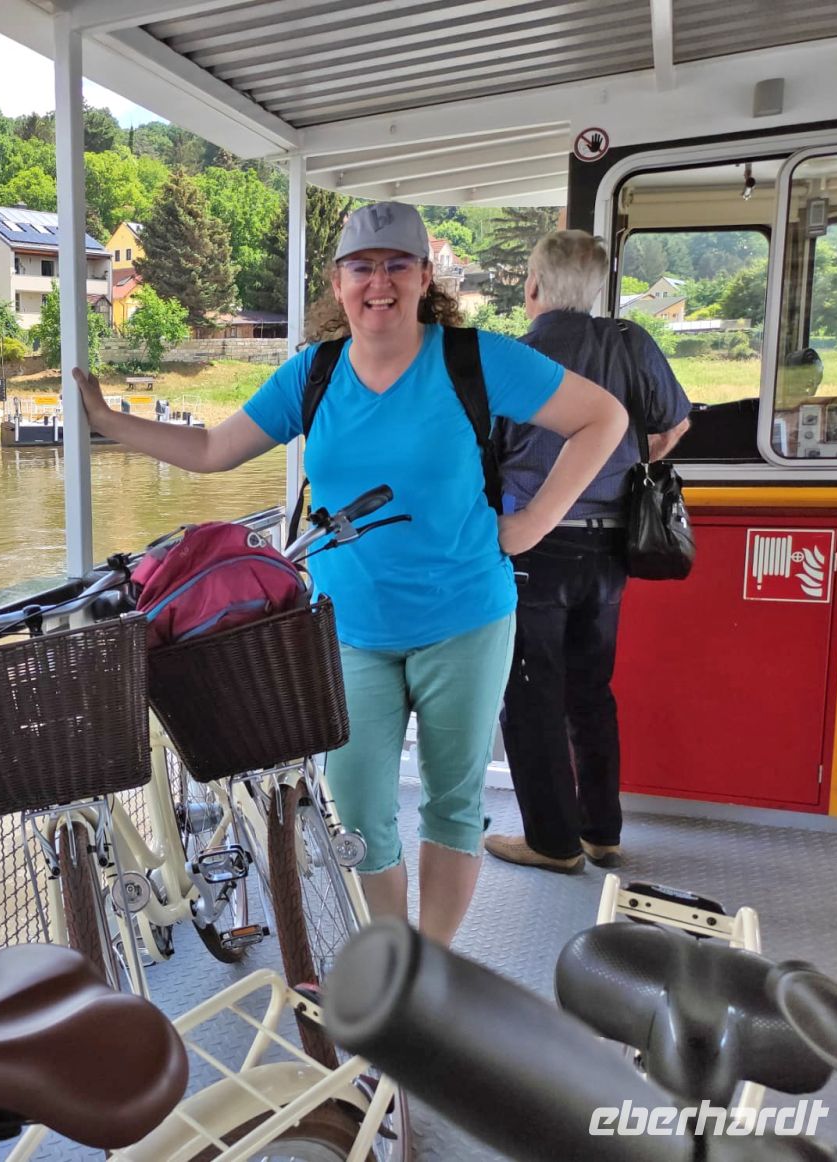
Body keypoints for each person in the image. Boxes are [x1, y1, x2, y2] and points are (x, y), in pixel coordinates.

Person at [75, 202, 627, 944]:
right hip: (349, 630)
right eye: (362, 268)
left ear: (425, 277)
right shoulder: (314, 374)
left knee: (453, 804)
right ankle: (394, 963)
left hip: (466, 618)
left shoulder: (476, 359)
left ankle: (429, 966)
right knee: (362, 809)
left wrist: (530, 524)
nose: (380, 283)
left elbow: (603, 419)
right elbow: (212, 450)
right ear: (338, 284)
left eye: (398, 265)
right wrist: (113, 424)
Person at [486, 231, 691, 873]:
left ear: (535, 286)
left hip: (533, 547)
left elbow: (482, 457)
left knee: (529, 692)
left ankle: (552, 841)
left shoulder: (513, 358)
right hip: (610, 550)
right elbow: (674, 423)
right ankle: (602, 831)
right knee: (591, 689)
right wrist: (625, 464)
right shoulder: (631, 343)